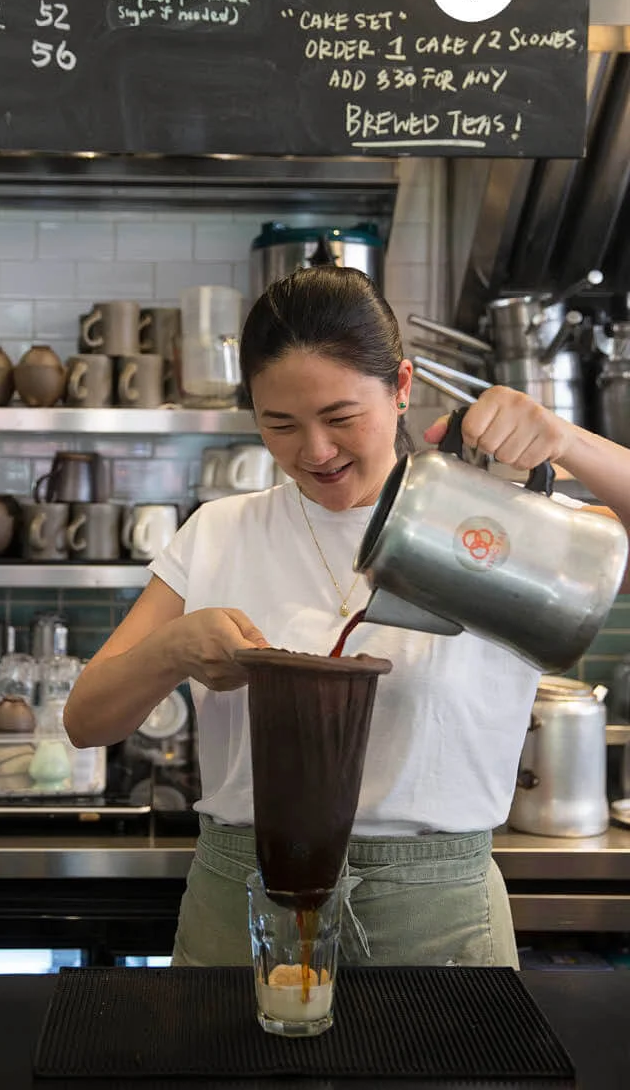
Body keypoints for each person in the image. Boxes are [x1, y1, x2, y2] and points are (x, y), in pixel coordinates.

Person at [64, 266, 630, 968]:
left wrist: (570, 444)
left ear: (400, 386)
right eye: (280, 424)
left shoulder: (497, 523)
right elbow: (85, 722)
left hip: (437, 921)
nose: (315, 452)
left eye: (340, 417)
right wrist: (172, 651)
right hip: (243, 909)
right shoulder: (219, 531)